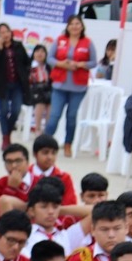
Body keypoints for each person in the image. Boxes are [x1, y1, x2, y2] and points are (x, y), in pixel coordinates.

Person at [46, 15, 95, 158]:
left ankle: (68, 144)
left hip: (78, 87)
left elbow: (93, 62)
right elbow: (50, 58)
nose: (74, 26)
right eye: (72, 24)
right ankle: (45, 143)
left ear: (82, 26)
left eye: (77, 24)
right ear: (67, 26)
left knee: (71, 117)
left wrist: (80, 64)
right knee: (54, 116)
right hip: (59, 85)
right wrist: (62, 64)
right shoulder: (60, 40)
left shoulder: (87, 42)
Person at [0, 25, 32, 152]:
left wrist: (25, 74)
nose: (5, 35)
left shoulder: (18, 46)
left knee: (15, 110)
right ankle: (5, 137)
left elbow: (26, 61)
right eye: (2, 33)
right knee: (3, 111)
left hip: (17, 84)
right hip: (2, 85)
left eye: (7, 31)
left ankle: (8, 131)